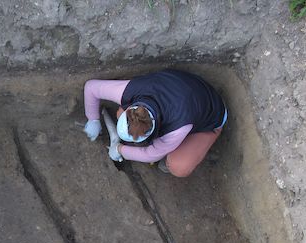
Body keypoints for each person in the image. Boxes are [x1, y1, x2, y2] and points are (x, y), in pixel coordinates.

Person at [83, 69, 227, 177]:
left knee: (178, 166)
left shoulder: (177, 127)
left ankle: (191, 147)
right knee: (120, 112)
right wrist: (93, 119)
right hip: (188, 90)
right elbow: (91, 88)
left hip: (212, 115)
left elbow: (151, 155)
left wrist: (120, 150)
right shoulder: (131, 90)